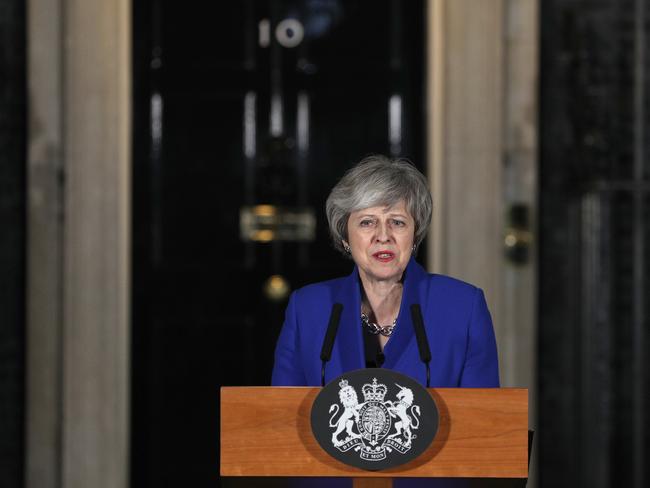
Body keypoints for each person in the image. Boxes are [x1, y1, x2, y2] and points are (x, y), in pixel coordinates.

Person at [272, 155, 499, 389]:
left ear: (415, 234)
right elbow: (282, 415)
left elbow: (483, 418)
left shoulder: (464, 307)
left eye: (397, 222)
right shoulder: (307, 309)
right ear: (345, 236)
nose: (383, 235)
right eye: (367, 222)